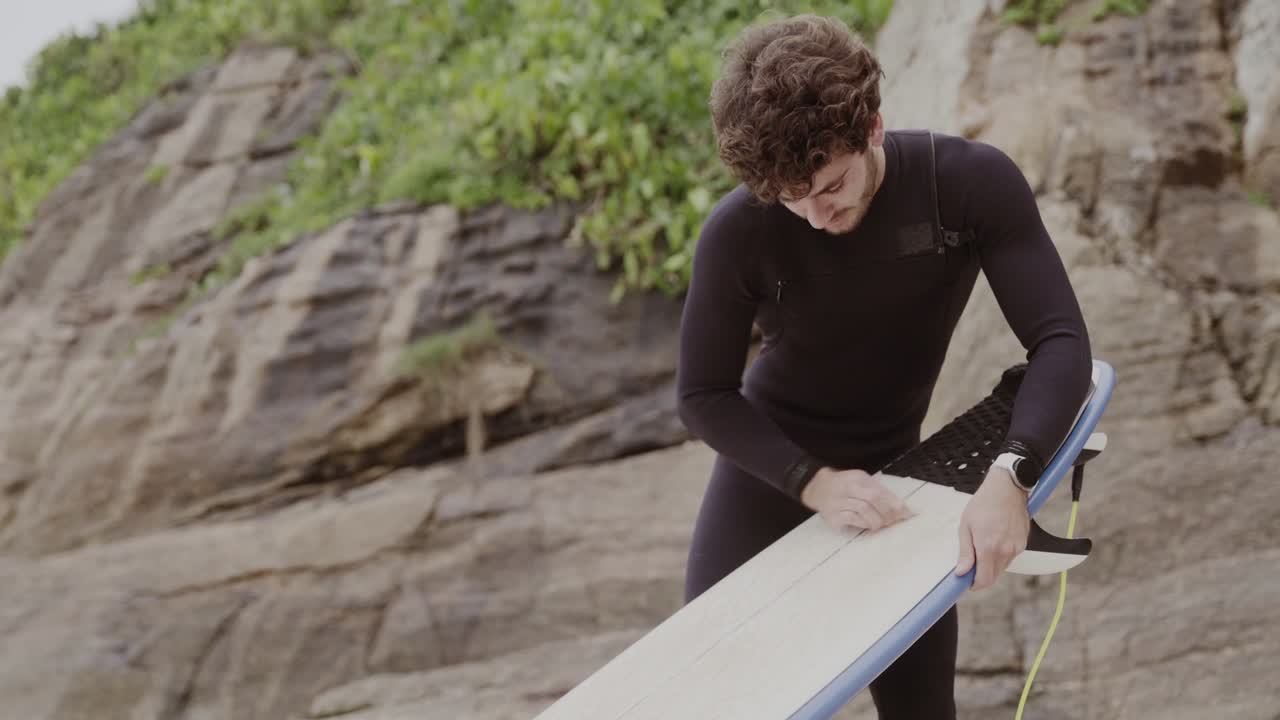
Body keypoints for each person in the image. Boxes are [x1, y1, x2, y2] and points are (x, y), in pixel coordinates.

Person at [675, 13, 1093, 720]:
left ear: (871, 126)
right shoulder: (738, 231)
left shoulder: (966, 185)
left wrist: (1010, 477)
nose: (813, 216)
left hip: (905, 475)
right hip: (770, 475)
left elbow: (1061, 344)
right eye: (790, 198)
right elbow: (704, 395)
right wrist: (814, 483)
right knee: (715, 700)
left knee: (922, 710)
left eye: (830, 186)